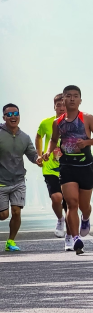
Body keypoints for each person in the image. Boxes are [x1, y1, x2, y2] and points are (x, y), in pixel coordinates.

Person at [42, 85, 93, 255]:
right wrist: (48, 152)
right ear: (63, 99)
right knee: (71, 203)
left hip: (85, 166)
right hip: (67, 165)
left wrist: (86, 143)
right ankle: (76, 238)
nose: (71, 99)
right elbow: (53, 140)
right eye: (68, 96)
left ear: (80, 100)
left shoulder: (88, 118)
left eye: (75, 96)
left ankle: (85, 218)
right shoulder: (58, 122)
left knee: (84, 206)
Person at [0, 104, 38, 251]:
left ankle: (10, 241)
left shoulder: (25, 137)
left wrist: (39, 160)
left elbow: (32, 155)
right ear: (4, 117)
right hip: (1, 182)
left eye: (15, 113)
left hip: (18, 181)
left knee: (17, 211)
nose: (13, 117)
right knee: (3, 215)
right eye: (9, 114)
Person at [35, 93, 67, 238]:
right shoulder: (46, 123)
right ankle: (60, 220)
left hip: (69, 166)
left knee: (69, 199)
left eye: (63, 105)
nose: (61, 108)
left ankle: (73, 222)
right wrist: (39, 155)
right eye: (58, 105)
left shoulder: (75, 122)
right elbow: (39, 136)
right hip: (50, 167)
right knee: (56, 197)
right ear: (54, 107)